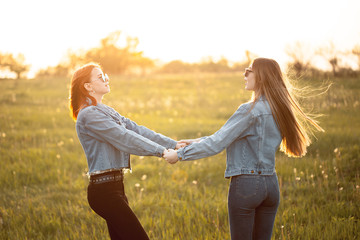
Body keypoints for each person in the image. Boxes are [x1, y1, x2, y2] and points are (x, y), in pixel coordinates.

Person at [163, 57, 324, 240]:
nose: (244, 75)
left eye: (248, 70)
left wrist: (179, 155)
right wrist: (192, 142)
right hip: (271, 185)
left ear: (261, 76)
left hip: (247, 186)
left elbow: (217, 143)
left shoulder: (250, 110)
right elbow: (223, 137)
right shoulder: (279, 108)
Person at [69, 63, 185, 240]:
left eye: (105, 75)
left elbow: (136, 130)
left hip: (116, 188)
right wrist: (162, 152)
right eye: (100, 77)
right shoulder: (88, 115)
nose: (106, 79)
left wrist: (174, 144)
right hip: (104, 192)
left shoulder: (105, 110)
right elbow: (124, 137)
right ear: (88, 86)